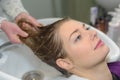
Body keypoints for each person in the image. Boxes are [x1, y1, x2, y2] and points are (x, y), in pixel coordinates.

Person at [18, 17, 120, 80]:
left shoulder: (116, 68)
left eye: (86, 28)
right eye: (78, 37)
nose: (93, 33)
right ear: (66, 63)